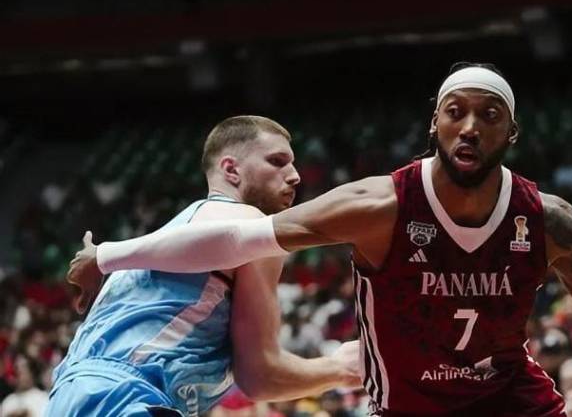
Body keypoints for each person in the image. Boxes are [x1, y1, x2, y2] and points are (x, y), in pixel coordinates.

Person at [69, 63, 572, 416]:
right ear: (434, 123)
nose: (470, 126)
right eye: (455, 112)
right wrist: (108, 255)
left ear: (510, 134)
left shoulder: (547, 219)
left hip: (510, 402)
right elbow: (236, 242)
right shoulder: (377, 205)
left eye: (489, 115)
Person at [47, 116, 359, 417]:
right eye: (277, 161)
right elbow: (260, 374)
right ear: (231, 169)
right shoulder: (248, 222)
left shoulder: (173, 231)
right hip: (125, 396)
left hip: (71, 396)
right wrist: (341, 368)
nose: (295, 176)